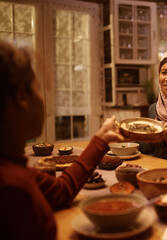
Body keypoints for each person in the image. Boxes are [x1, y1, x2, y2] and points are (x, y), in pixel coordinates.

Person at [0, 41, 128, 240]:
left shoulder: (17, 171)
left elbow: (61, 191)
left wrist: (100, 140)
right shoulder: (13, 190)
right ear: (21, 97)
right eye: (38, 88)